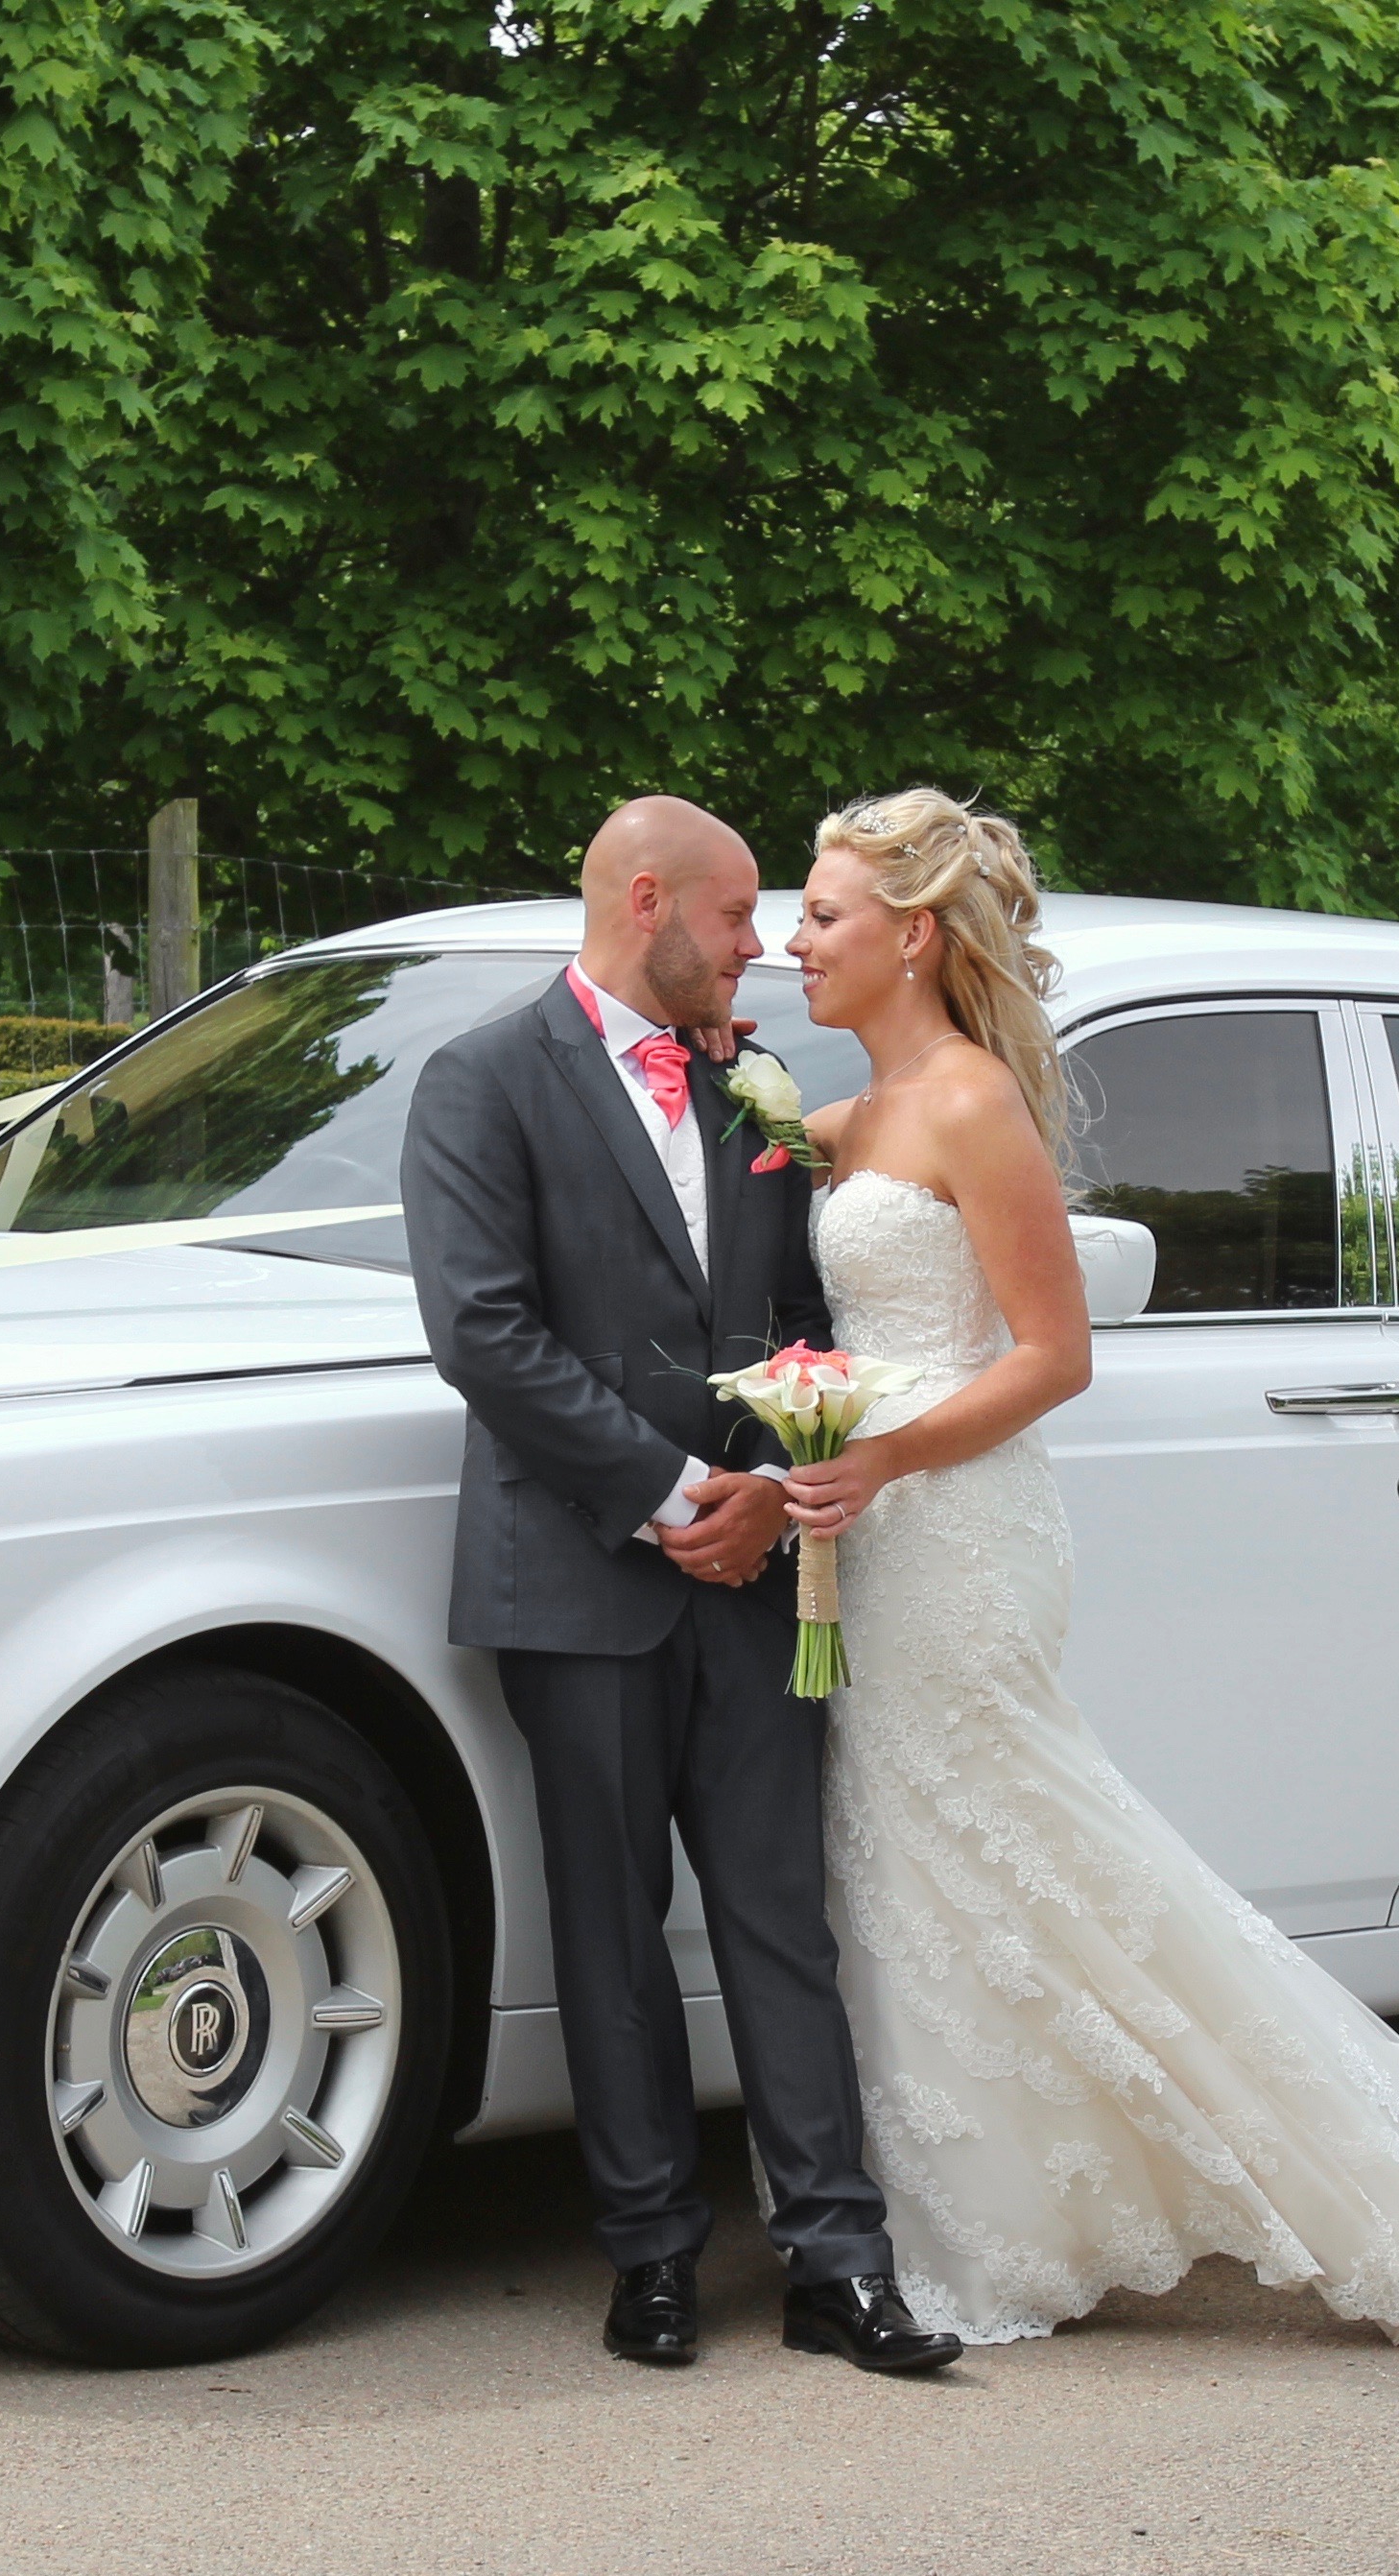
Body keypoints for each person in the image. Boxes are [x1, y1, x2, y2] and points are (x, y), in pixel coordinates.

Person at [773, 786, 1399, 2349]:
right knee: (917, 1864)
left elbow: (1055, 1355)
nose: (794, 941)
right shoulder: (852, 1115)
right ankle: (993, 2203)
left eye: (822, 913)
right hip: (875, 1533)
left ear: (913, 936)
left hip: (956, 1528)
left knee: (1018, 1841)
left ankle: (1298, 2164)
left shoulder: (974, 1103)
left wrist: (883, 1456)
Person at [401, 795, 963, 2374]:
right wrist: (666, 1499)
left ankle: (838, 2263)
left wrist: (774, 1485)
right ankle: (649, 2253)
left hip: (761, 1572)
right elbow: (484, 1332)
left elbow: (802, 1310)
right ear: (646, 901)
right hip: (579, 1580)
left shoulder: (752, 1089)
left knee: (784, 1918)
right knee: (610, 1929)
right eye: (734, 916)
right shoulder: (480, 1080)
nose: (758, 945)